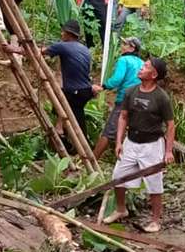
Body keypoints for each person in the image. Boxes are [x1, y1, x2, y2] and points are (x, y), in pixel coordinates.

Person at [107, 57, 176, 232]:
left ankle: (155, 220)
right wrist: (119, 142)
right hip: (131, 142)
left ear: (153, 74)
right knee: (118, 176)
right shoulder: (130, 92)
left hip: (152, 145)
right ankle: (121, 210)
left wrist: (168, 151)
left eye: (145, 66)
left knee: (154, 183)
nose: (140, 68)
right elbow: (123, 117)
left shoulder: (161, 97)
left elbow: (170, 125)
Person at [41, 20, 93, 144]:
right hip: (85, 90)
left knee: (74, 120)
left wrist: (16, 49)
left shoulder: (63, 46)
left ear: (68, 33)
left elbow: (38, 52)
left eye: (63, 31)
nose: (61, 34)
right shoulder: (84, 49)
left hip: (75, 91)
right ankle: (61, 130)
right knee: (63, 106)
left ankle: (77, 143)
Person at [92, 36, 143, 159]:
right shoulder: (141, 63)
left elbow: (117, 79)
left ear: (132, 48)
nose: (122, 46)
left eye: (125, 44)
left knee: (109, 130)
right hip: (140, 100)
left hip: (125, 99)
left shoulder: (123, 60)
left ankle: (93, 159)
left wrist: (104, 86)